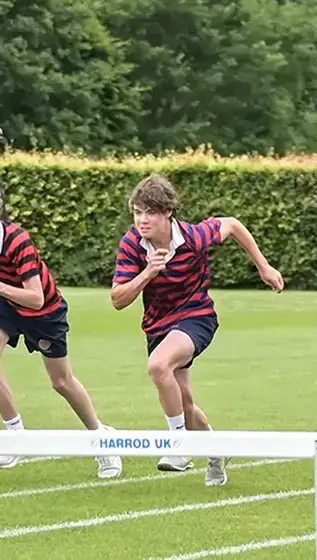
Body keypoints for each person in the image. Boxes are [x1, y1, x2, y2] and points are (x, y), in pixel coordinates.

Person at [110, 175, 284, 487]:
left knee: (158, 365)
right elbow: (118, 300)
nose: (142, 220)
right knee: (185, 403)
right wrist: (148, 272)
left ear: (168, 213)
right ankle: (216, 451)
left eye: (150, 213)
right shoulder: (132, 244)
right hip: (158, 325)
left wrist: (263, 266)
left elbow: (232, 225)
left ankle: (179, 445)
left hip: (196, 316)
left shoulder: (193, 237)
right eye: (137, 213)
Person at [0, 218, 121, 478]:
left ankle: (101, 438)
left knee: (61, 382)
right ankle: (16, 436)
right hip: (6, 307)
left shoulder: (16, 240)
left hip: (44, 313)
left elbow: (35, 298)